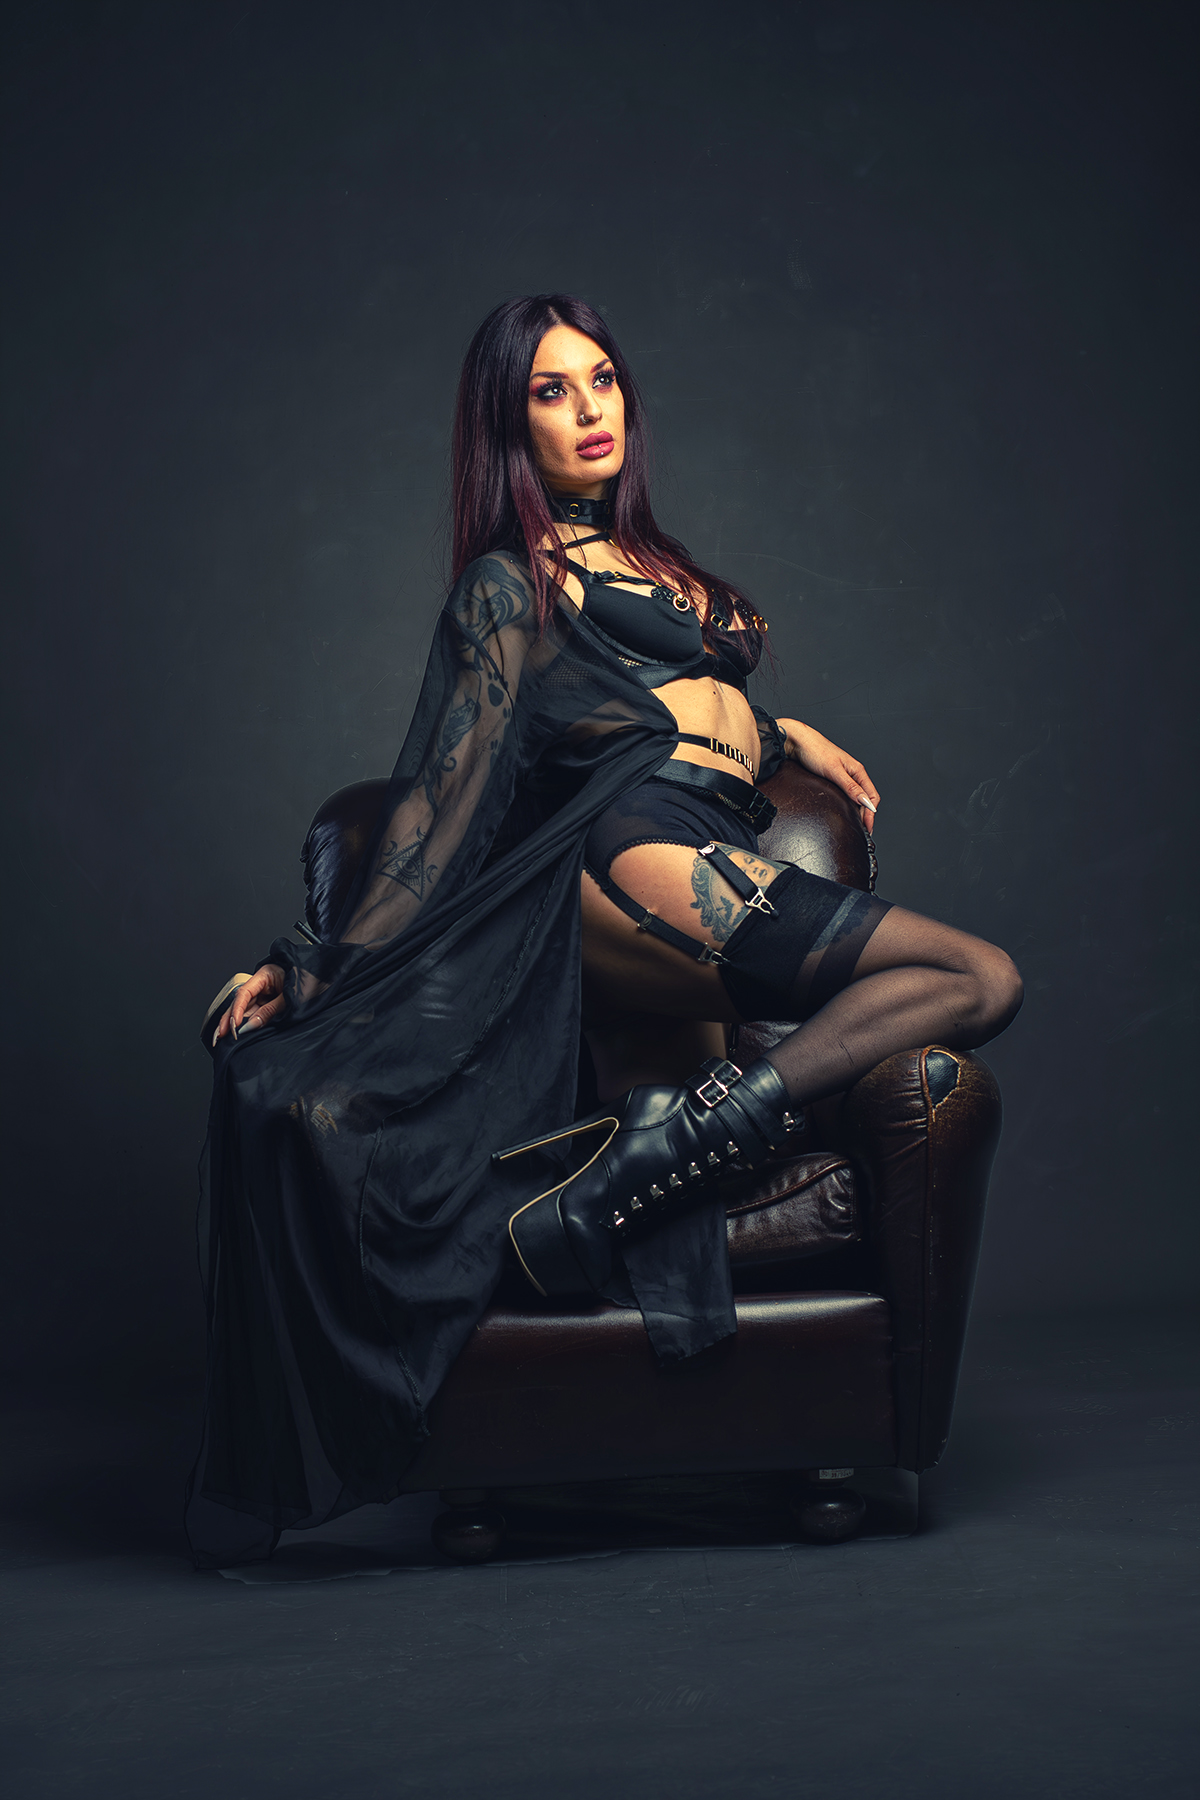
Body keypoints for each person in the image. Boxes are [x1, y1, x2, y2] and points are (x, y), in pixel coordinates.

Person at [192, 294, 1021, 1565]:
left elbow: (680, 690)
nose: (590, 410)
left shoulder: (645, 554)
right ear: (508, 424)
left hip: (713, 830)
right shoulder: (510, 583)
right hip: (641, 847)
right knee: (979, 975)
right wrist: (307, 962)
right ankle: (672, 1141)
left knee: (971, 981)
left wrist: (780, 732)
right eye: (551, 391)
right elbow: (440, 798)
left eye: (603, 380)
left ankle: (660, 1145)